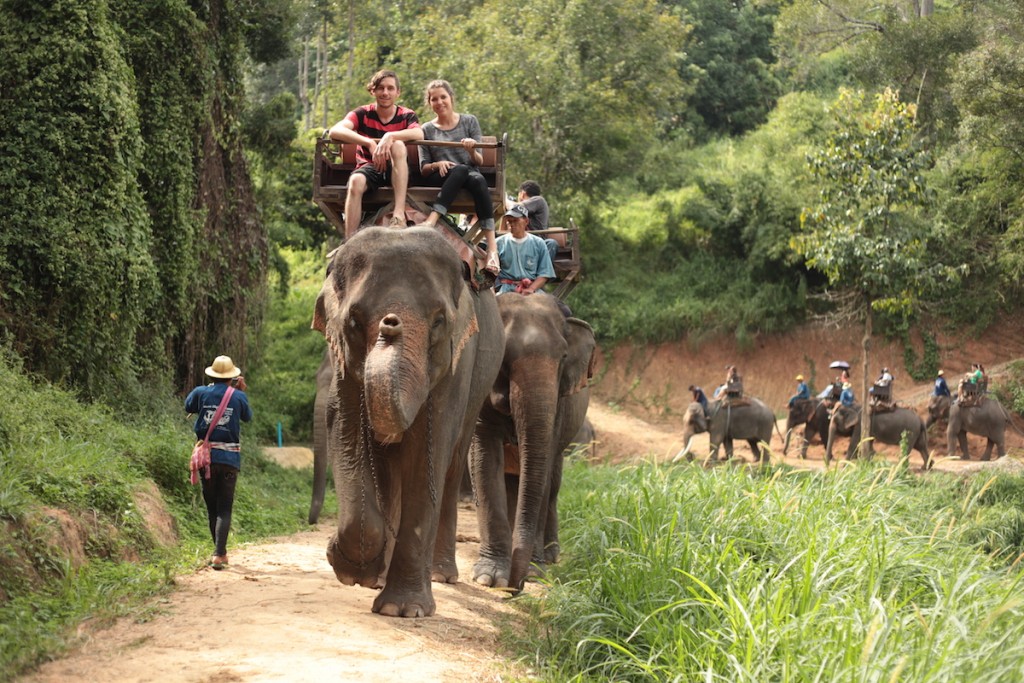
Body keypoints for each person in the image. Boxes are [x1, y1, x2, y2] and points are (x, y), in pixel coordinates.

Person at [327, 69, 423, 238]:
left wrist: (390, 136)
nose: (385, 92)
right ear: (373, 91)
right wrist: (368, 142)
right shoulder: (363, 113)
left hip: (397, 169)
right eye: (381, 88)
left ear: (397, 92)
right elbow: (335, 131)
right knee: (355, 180)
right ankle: (349, 240)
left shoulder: (407, 115)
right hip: (370, 167)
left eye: (390, 88)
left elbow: (419, 134)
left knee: (398, 146)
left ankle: (398, 215)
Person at [418, 80, 498, 273]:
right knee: (460, 170)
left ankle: (493, 249)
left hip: (468, 174)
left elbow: (478, 161)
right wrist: (438, 164)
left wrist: (471, 151)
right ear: (429, 103)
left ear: (451, 98)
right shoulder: (427, 129)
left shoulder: (469, 121)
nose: (439, 102)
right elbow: (423, 168)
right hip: (441, 176)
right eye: (434, 99)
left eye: (443, 97)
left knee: (476, 178)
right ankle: (433, 218)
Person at [185, 355, 253, 570]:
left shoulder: (200, 392)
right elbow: (247, 417)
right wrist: (240, 392)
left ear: (212, 375)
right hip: (230, 460)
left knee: (212, 508)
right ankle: (219, 554)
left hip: (207, 460)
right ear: (233, 377)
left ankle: (218, 553)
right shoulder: (238, 397)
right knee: (225, 508)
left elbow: (189, 406)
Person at [495, 203, 556, 295]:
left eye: (515, 221)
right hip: (506, 289)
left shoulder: (539, 243)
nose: (512, 224)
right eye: (509, 221)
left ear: (526, 221)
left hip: (531, 288)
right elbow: (491, 273)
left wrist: (531, 288)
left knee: (555, 307)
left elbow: (545, 273)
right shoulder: (498, 243)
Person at [516, 180, 557, 262]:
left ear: (522, 194)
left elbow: (516, 207)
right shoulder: (514, 213)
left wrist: (505, 200)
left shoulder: (539, 200)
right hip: (519, 243)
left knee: (551, 243)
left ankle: (542, 271)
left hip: (536, 243)